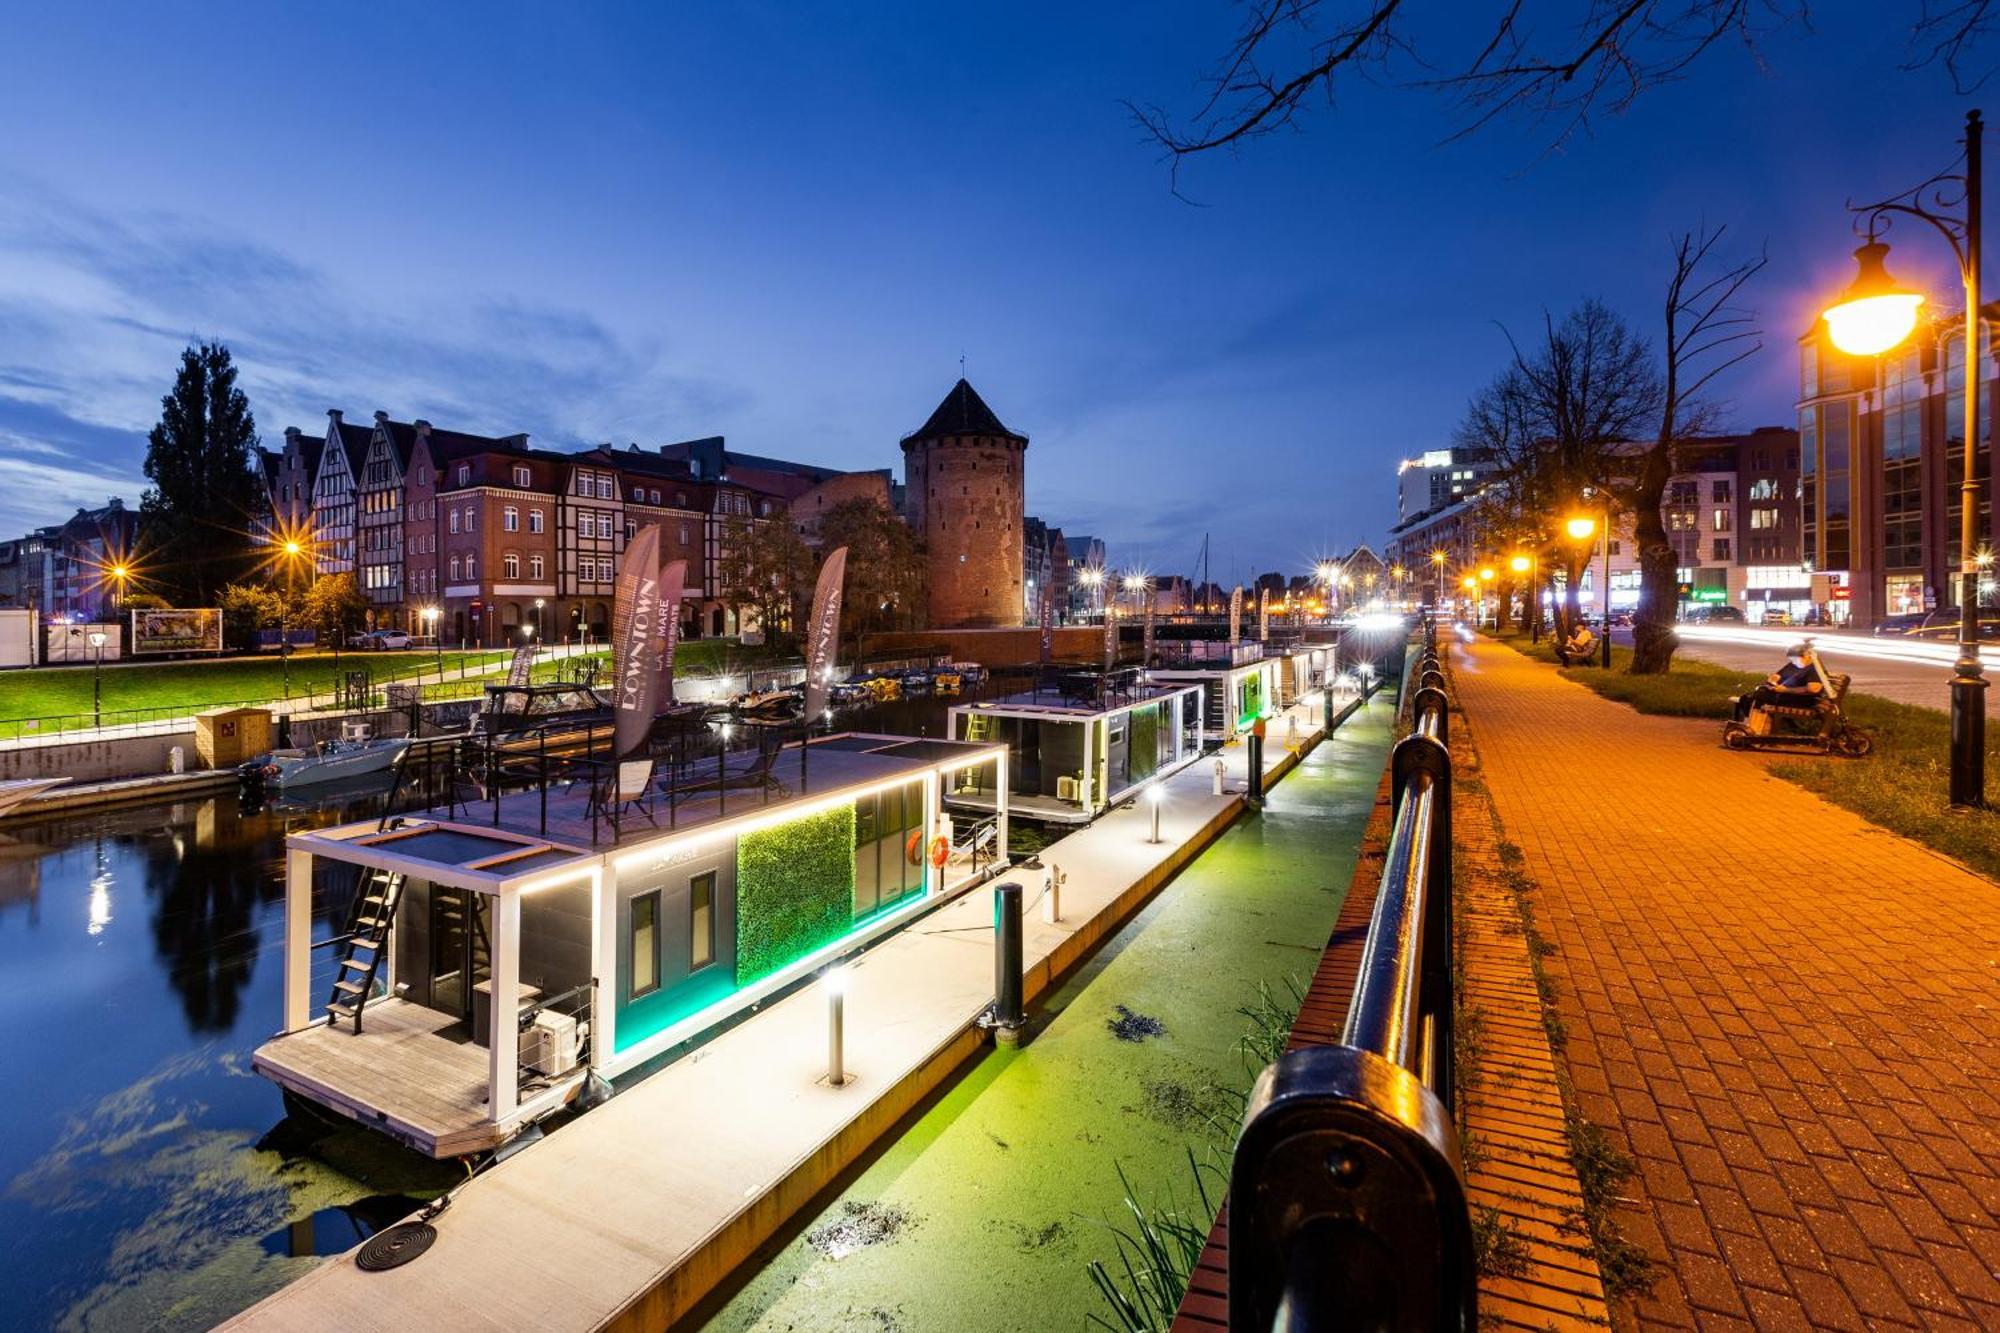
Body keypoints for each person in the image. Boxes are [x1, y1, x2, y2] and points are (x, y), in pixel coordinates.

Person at [1733, 643, 1823, 723]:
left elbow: (1813, 689)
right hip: (1784, 694)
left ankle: (1753, 724)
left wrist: (1785, 690)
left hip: (1799, 699)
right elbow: (1779, 674)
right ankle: (1749, 722)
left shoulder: (1814, 668)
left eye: (1795, 660)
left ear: (1806, 656)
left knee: (1759, 695)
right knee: (1747, 697)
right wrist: (1774, 679)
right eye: (1792, 660)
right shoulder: (1795, 664)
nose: (1794, 663)